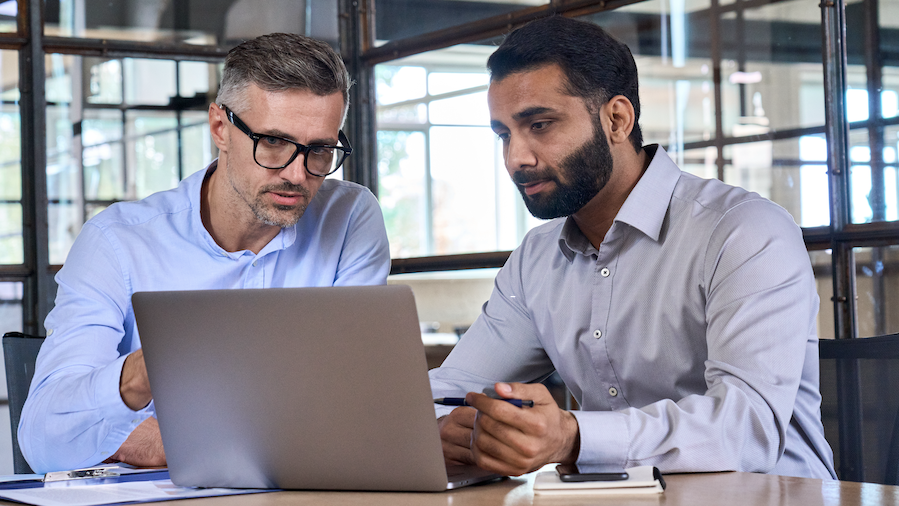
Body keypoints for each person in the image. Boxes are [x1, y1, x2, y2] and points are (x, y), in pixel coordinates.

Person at [429, 16, 836, 480]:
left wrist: (573, 437)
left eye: (539, 125)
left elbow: (746, 431)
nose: (516, 158)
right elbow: (449, 389)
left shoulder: (742, 232)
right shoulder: (537, 259)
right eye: (503, 135)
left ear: (617, 120)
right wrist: (446, 428)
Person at [20, 33, 390, 473]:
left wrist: (173, 437)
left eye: (320, 150)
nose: (297, 173)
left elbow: (352, 409)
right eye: (272, 142)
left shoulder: (350, 217)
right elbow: (42, 439)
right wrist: (139, 376)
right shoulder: (116, 243)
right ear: (220, 128)